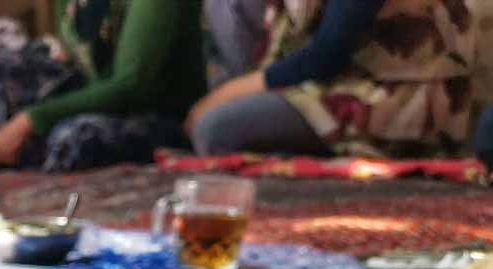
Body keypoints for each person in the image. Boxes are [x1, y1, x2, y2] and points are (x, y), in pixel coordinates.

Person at [190, 0, 475, 158]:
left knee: (215, 129)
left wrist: (223, 96)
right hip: (336, 82)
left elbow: (325, 57)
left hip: (396, 95)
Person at [0, 0, 206, 172]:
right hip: (97, 94)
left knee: (73, 140)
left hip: (157, 116)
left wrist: (32, 119)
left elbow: (130, 86)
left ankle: (37, 161)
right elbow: (81, 58)